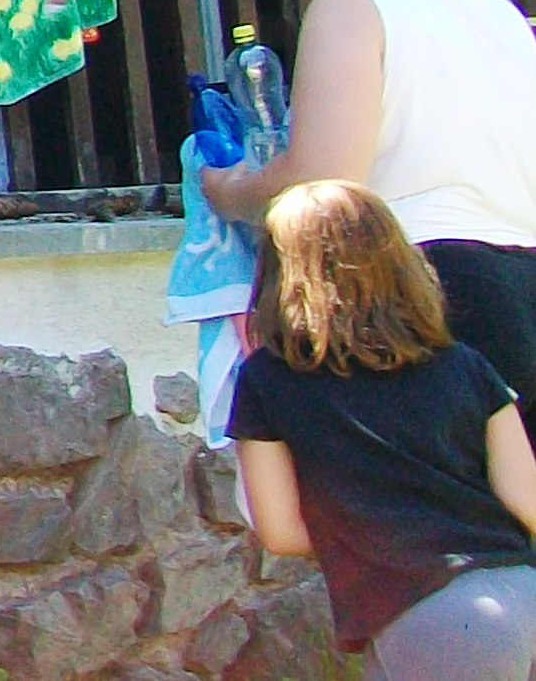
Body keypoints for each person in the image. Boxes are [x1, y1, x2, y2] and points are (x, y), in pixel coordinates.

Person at [202, 0, 536, 440]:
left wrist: (229, 190)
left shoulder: (353, 3)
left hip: (424, 291)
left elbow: (323, 181)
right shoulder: (499, 12)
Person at [229, 180, 536, 678]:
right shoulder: (465, 363)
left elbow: (281, 532)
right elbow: (527, 498)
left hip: (431, 618)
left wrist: (374, 534)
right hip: (522, 590)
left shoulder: (267, 379)